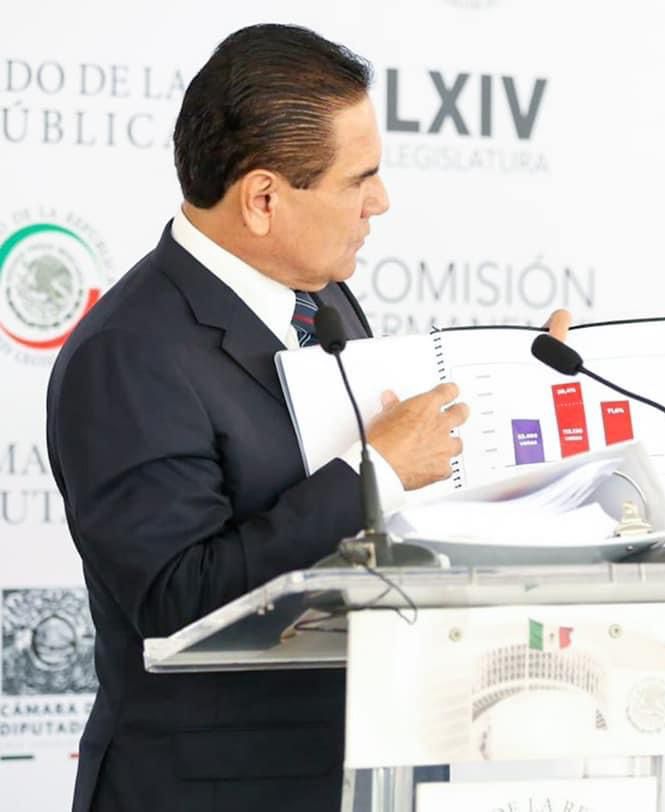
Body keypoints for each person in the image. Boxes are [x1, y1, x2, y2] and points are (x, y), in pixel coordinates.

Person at [46, 23, 569, 812]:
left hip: (371, 768)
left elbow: (381, 511)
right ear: (263, 199)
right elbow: (177, 600)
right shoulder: (126, 354)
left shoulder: (321, 299)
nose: (381, 202)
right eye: (361, 179)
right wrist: (376, 471)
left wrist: (521, 403)